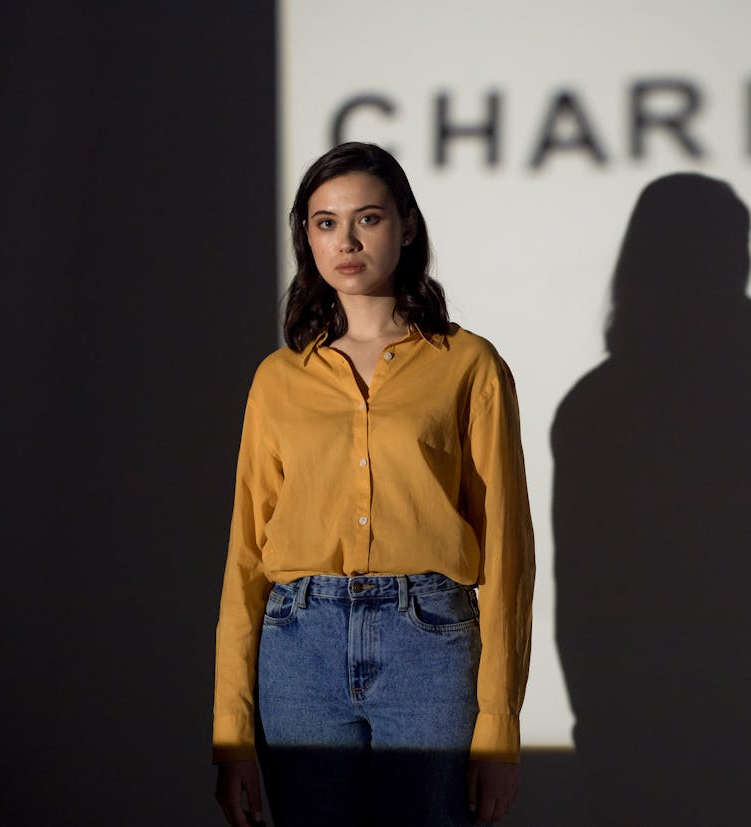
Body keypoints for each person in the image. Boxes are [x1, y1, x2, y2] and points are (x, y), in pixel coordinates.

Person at [212, 142, 534, 827]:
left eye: (368, 218)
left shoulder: (468, 365)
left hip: (429, 643)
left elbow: (508, 548)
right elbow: (245, 558)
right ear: (306, 236)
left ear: (407, 225)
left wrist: (500, 723)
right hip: (298, 646)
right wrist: (230, 729)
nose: (346, 240)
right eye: (325, 222)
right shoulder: (279, 378)